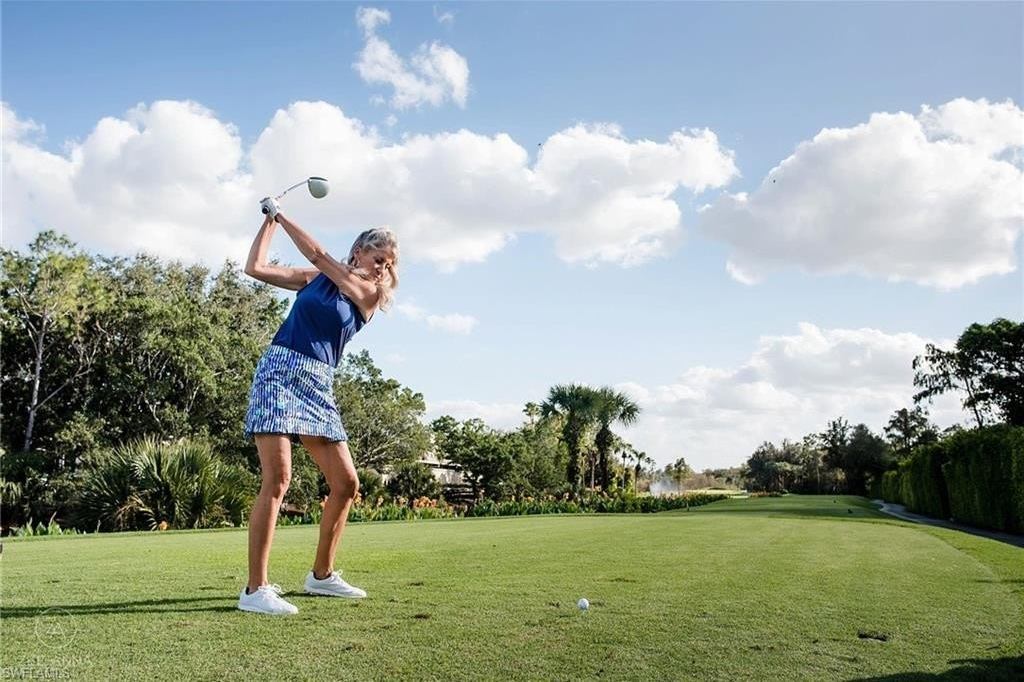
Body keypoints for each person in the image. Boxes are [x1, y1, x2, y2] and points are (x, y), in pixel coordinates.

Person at [238, 197, 398, 615]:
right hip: (279, 370)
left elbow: (317, 254)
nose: (382, 268)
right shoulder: (315, 279)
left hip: (317, 383)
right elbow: (255, 267)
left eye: (388, 264)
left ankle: (321, 576)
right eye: (378, 258)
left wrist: (283, 214)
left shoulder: (368, 294)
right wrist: (270, 222)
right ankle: (255, 589)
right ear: (358, 251)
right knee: (278, 478)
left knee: (346, 483)